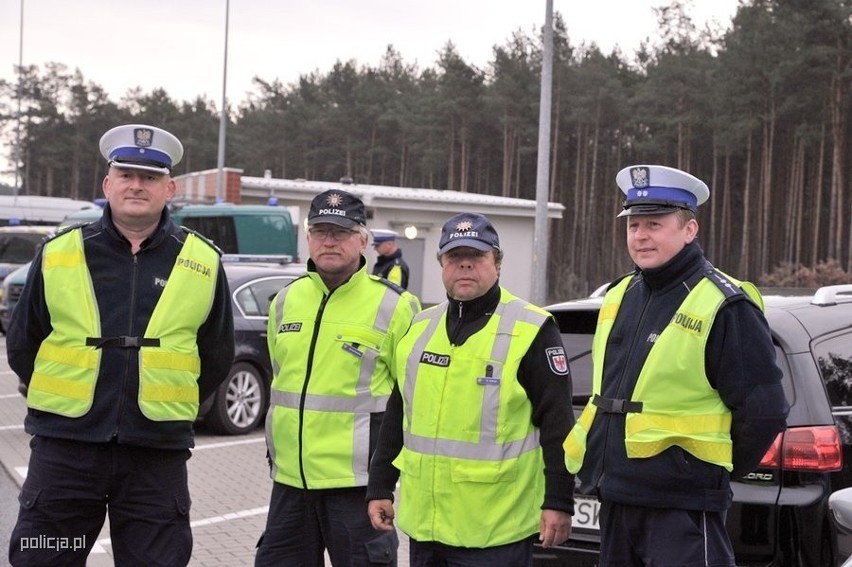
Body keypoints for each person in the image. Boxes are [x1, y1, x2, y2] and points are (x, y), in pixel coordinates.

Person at [7, 124, 235, 566]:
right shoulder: (58, 253)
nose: (136, 185)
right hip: (66, 453)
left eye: (149, 177)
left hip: (155, 456)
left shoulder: (203, 262)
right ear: (107, 184)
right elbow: (23, 345)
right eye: (126, 174)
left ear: (169, 188)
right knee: (44, 560)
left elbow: (216, 354)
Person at [563, 164, 790, 566]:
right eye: (634, 225)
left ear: (689, 230)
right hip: (616, 497)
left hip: (682, 511)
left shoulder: (724, 304)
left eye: (654, 223)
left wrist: (703, 476)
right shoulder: (621, 294)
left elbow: (764, 411)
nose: (641, 235)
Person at [367, 212, 575, 565]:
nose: (464, 266)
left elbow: (557, 424)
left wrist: (559, 501)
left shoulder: (531, 329)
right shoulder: (419, 329)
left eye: (476, 257)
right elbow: (399, 413)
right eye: (454, 258)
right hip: (427, 528)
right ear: (441, 265)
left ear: (497, 262)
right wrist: (380, 486)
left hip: (496, 531)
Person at [256, 189, 420, 566]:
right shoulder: (284, 301)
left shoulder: (396, 306)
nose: (329, 241)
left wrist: (387, 481)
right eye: (320, 231)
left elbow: (410, 401)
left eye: (341, 232)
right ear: (308, 238)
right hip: (290, 487)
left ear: (363, 239)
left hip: (358, 491)